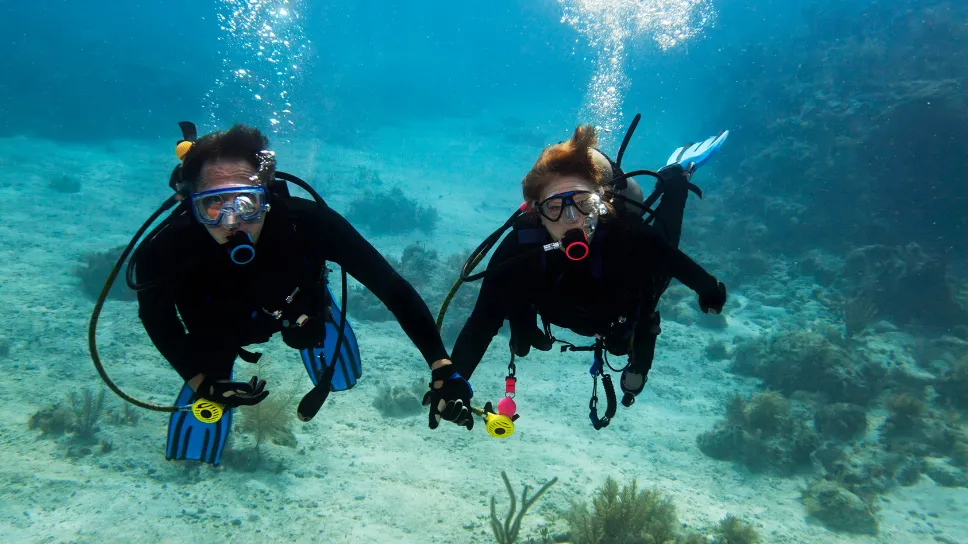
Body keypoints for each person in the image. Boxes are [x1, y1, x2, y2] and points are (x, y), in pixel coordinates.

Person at [132, 123, 473, 464]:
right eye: (213, 204)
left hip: (297, 311)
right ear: (190, 203)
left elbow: (391, 287)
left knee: (310, 328)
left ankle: (323, 317)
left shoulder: (308, 223)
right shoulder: (165, 248)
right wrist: (198, 380)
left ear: (265, 197)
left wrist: (441, 365)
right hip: (218, 325)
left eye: (246, 202)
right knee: (212, 371)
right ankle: (209, 383)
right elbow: (156, 317)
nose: (231, 220)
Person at [449, 122, 728, 429]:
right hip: (562, 304)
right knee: (522, 307)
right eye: (555, 207)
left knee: (660, 247)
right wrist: (454, 382)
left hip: (622, 298)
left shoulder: (627, 235)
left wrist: (708, 289)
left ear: (601, 201)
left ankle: (676, 177)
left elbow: (676, 261)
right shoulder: (519, 249)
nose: (572, 220)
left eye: (583, 204)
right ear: (535, 212)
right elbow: (481, 323)